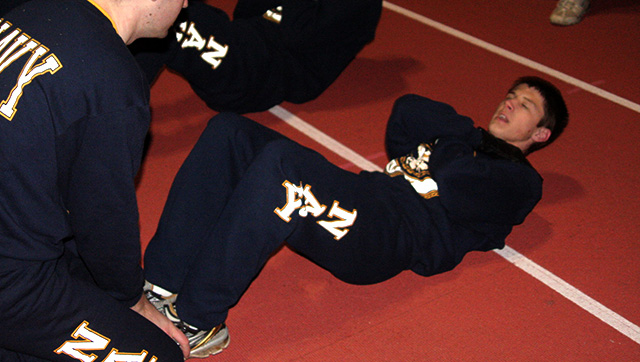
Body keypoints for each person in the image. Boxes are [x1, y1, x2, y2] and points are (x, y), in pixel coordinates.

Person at [143, 76, 569, 357]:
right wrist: (469, 134)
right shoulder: (466, 139)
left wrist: (452, 145)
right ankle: (161, 283)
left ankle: (199, 321)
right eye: (511, 95)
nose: (510, 104)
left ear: (540, 134)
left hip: (384, 236)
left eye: (526, 105)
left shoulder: (520, 181)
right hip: (365, 194)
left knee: (282, 170)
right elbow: (406, 111)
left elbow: (458, 178)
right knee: (230, 131)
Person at [0, 0, 191, 361]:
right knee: (160, 355)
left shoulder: (34, 10)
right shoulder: (110, 76)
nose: (184, 4)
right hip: (12, 283)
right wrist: (135, 302)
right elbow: (103, 223)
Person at [1, 0, 383, 114]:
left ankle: (87, 112)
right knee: (157, 17)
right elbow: (248, 12)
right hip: (245, 42)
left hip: (269, 67)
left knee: (163, 20)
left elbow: (310, 63)